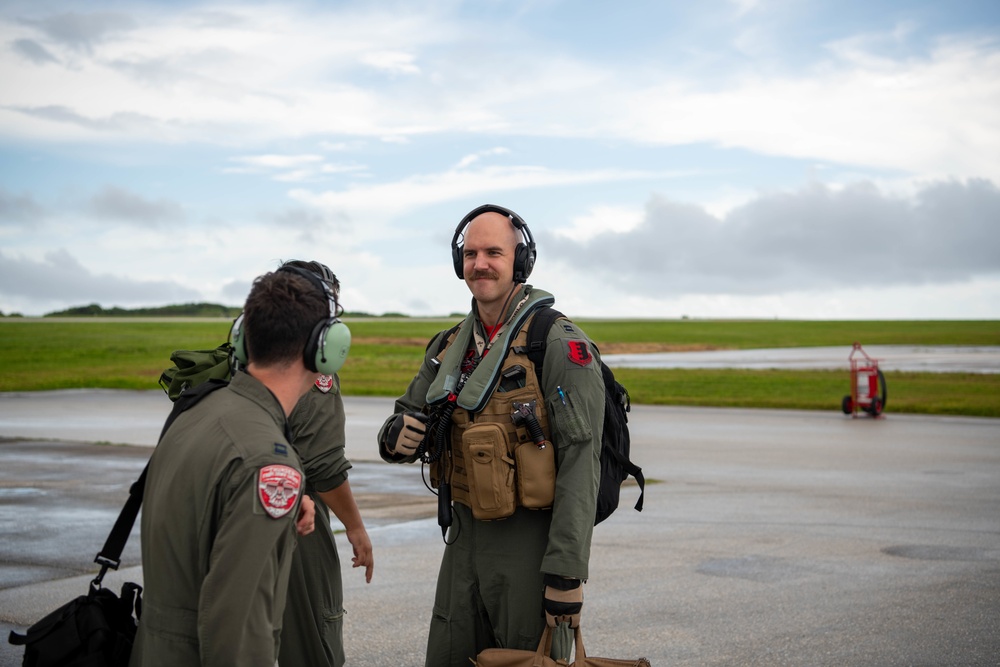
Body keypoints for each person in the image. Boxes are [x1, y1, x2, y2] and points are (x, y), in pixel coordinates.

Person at [377, 204, 606, 665]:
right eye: (471, 253)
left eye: (494, 252)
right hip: (462, 537)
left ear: (521, 262)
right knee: (448, 654)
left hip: (527, 542)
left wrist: (565, 574)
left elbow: (582, 461)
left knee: (528, 657)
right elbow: (406, 415)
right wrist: (395, 436)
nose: (480, 263)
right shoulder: (449, 347)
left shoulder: (557, 343)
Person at [130, 267, 332, 667]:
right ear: (324, 349)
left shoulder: (196, 410)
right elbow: (237, 625)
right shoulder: (267, 462)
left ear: (242, 338)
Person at [278, 259, 374, 667]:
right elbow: (323, 465)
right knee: (316, 639)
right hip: (292, 518)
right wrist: (355, 526)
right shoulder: (311, 368)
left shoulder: (244, 356)